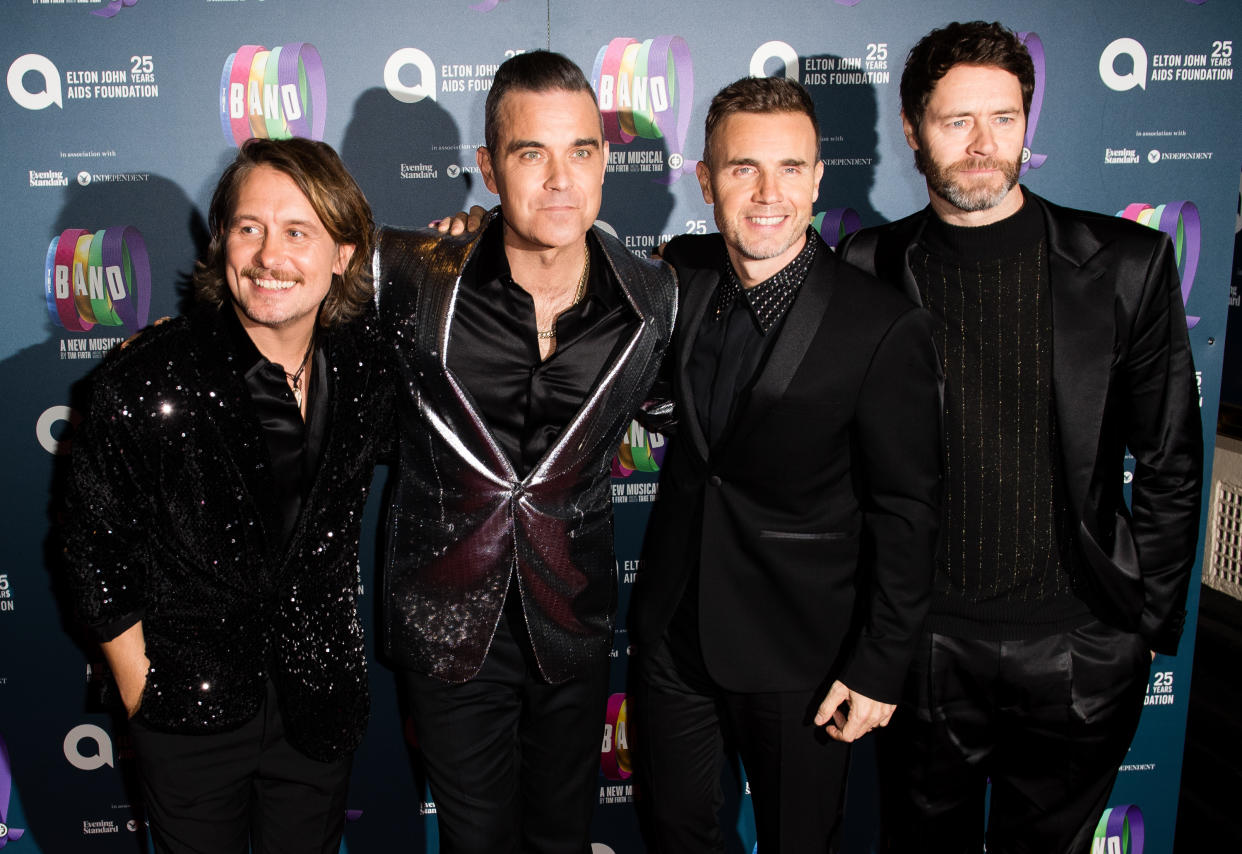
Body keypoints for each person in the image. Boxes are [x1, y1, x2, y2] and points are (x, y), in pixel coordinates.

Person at [836, 21, 1203, 854]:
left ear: (1027, 123)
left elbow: (1173, 460)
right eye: (955, 121)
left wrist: (1138, 627)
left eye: (1003, 118)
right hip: (923, 645)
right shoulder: (864, 264)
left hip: (1081, 645)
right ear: (911, 129)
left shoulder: (1127, 263)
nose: (981, 145)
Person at [627, 76, 942, 853]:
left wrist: (878, 665)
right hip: (673, 636)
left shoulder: (880, 325)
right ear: (705, 180)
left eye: (790, 169)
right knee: (675, 836)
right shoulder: (682, 272)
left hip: (803, 655)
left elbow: (907, 511)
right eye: (743, 169)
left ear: (816, 178)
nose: (769, 193)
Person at [375, 50, 675, 854]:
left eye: (580, 150)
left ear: (605, 161)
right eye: (529, 153)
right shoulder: (413, 274)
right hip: (446, 622)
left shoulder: (653, 300)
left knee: (560, 838)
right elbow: (284, 295)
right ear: (486, 167)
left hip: (570, 618)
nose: (559, 179)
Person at [61, 137, 389, 854]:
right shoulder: (148, 378)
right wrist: (138, 686)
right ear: (221, 242)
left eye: (299, 231)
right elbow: (92, 549)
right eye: (250, 228)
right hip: (184, 708)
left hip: (319, 701)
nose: (271, 257)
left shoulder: (368, 365)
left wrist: (472, 231)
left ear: (343, 254)